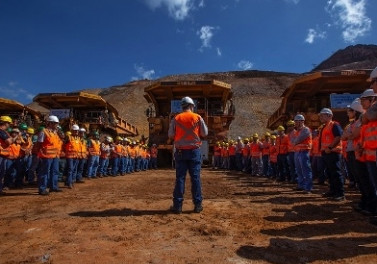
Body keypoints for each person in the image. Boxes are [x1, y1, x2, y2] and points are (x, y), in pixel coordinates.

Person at [168, 96, 208, 214]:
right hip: (194, 151)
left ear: (182, 106)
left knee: (180, 178)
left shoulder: (176, 118)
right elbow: (204, 133)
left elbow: (170, 135)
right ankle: (198, 205)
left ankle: (178, 206)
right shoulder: (197, 117)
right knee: (195, 178)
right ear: (192, 106)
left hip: (180, 152)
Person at [319, 108, 344, 201]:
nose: (320, 117)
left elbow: (338, 137)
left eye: (322, 115)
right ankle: (333, 191)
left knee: (336, 173)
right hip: (326, 153)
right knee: (330, 173)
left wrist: (330, 147)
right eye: (320, 115)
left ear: (329, 116)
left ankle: (340, 193)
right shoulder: (324, 127)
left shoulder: (334, 125)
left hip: (333, 152)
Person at [36, 115, 62, 195]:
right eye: (55, 123)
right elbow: (39, 144)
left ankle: (53, 187)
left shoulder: (55, 133)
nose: (57, 125)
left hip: (55, 156)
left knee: (55, 171)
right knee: (44, 172)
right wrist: (39, 154)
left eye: (57, 124)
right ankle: (42, 188)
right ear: (50, 123)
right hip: (46, 156)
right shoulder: (44, 132)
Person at [292, 114, 313, 193]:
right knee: (299, 170)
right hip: (298, 151)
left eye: (297, 121)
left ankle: (308, 188)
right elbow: (293, 141)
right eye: (295, 121)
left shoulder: (306, 130)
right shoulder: (298, 131)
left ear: (302, 121)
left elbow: (297, 140)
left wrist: (295, 142)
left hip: (304, 151)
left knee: (306, 170)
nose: (296, 123)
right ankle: (301, 185)